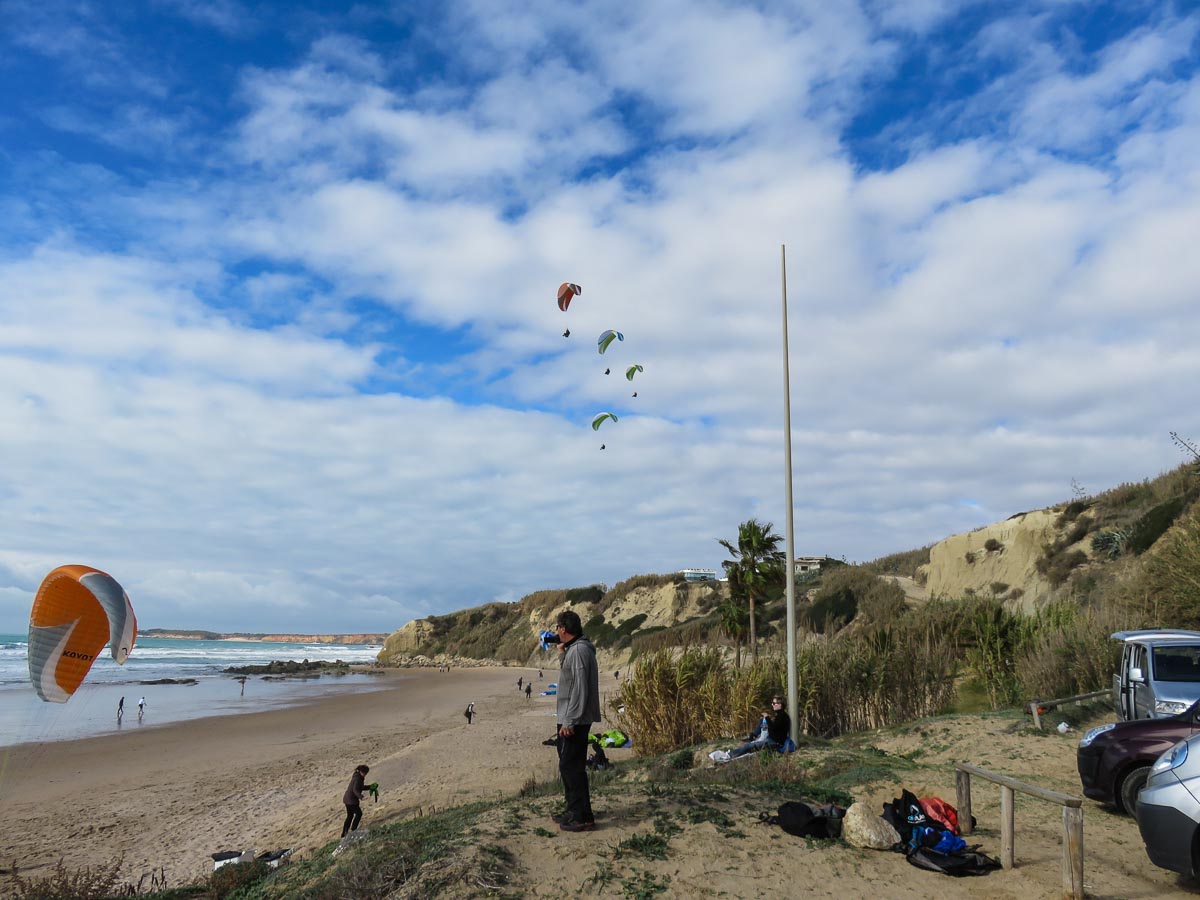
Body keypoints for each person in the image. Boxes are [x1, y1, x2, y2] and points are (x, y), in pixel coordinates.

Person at [552, 610, 600, 832]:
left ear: (563, 629)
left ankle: (581, 816)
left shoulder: (580, 650)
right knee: (569, 765)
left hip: (575, 719)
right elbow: (571, 677)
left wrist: (570, 721)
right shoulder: (575, 649)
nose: (556, 631)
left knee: (571, 767)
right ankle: (575, 811)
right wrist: (562, 653)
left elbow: (579, 689)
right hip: (571, 716)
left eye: (557, 627)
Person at [714, 696, 791, 761]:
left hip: (774, 742)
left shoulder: (782, 717)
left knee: (749, 746)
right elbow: (774, 729)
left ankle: (729, 755)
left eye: (774, 703)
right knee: (750, 745)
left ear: (780, 705)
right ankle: (734, 753)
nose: (772, 705)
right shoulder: (780, 715)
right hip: (772, 740)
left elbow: (773, 730)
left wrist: (767, 718)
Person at [341, 764, 370, 837]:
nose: (365, 774)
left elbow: (360, 787)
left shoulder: (357, 777)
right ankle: (353, 829)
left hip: (347, 799)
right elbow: (355, 790)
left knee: (350, 816)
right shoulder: (358, 779)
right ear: (361, 772)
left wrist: (370, 787)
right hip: (351, 801)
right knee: (358, 814)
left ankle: (344, 833)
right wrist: (361, 797)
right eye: (365, 773)